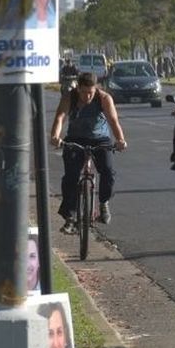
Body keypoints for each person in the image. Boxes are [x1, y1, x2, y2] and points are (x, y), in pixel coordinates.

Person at [49, 72, 127, 233]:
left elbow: (113, 121)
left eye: (90, 92)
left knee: (107, 171)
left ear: (96, 88)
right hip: (75, 138)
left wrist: (120, 140)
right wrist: (55, 137)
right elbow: (60, 118)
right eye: (83, 92)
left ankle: (104, 202)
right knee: (71, 176)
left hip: (100, 139)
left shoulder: (104, 98)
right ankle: (70, 217)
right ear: (78, 89)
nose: (87, 96)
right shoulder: (69, 97)